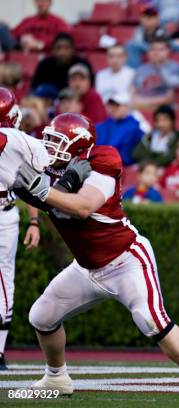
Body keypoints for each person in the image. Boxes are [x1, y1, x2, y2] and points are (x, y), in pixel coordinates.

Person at [12, 112, 179, 402]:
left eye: (57, 142)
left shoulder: (102, 159)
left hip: (125, 260)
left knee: (152, 321)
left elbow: (83, 206)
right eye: (48, 140)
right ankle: (56, 377)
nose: (49, 147)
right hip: (86, 268)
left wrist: (42, 192)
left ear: (78, 145)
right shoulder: (47, 167)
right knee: (42, 317)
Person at [0, 88, 43, 370]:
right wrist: (35, 221)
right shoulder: (21, 139)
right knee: (5, 282)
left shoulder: (16, 139)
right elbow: (34, 181)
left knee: (4, 282)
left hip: (5, 212)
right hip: (6, 214)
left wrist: (34, 221)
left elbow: (32, 182)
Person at [131, 37, 179, 111]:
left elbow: (170, 98)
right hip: (139, 109)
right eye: (153, 49)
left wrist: (144, 102)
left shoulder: (175, 68)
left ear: (168, 51)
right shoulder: (141, 69)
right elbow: (133, 92)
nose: (156, 53)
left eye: (160, 50)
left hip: (162, 111)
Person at [95, 92, 144, 166]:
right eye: (111, 105)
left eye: (117, 105)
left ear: (126, 106)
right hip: (100, 164)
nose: (113, 109)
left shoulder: (135, 128)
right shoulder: (104, 124)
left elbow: (126, 156)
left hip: (120, 168)